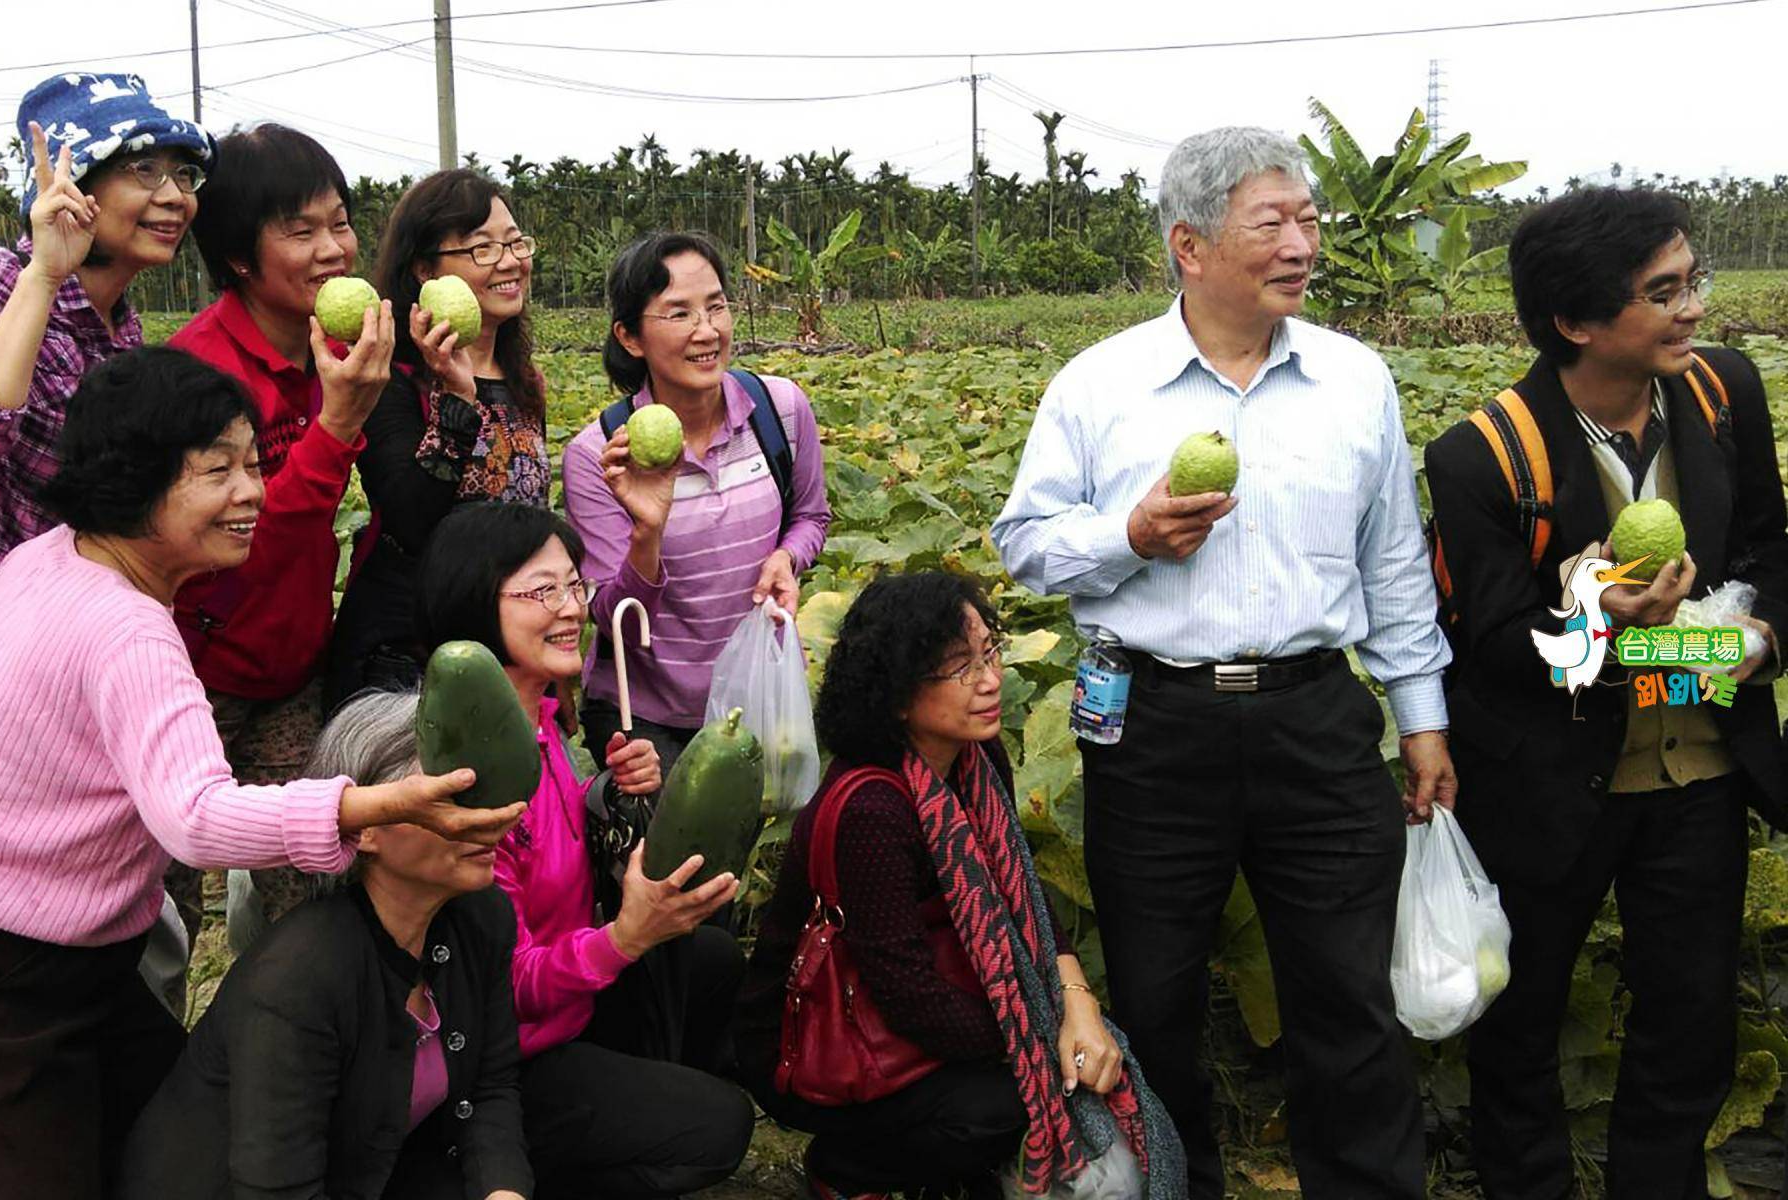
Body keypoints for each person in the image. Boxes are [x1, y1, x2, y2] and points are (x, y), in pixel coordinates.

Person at [990, 126, 1457, 1198]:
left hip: (1318, 719)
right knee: (1155, 998)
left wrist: (1421, 718)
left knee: (1347, 993)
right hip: (1155, 728)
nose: (1302, 242)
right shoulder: (1101, 386)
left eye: (1309, 218)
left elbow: (1393, 564)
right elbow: (1025, 541)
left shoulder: (1355, 380)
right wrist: (1129, 538)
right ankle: (1174, 1183)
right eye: (1274, 222)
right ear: (1190, 247)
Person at [0, 347, 522, 1200]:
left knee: (167, 1128)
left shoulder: (45, 557)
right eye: (217, 472)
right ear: (133, 482)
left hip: (80, 954)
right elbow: (195, 819)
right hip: (25, 970)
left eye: (252, 463)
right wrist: (368, 806)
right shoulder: (127, 631)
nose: (252, 493)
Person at [1424, 188, 1788, 1199]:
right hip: (1549, 784)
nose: (1693, 309)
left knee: (1690, 1027)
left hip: (1700, 770)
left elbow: (1771, 547)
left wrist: (1760, 638)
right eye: (1662, 292)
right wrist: (1596, 620)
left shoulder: (1724, 396)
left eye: (1692, 281)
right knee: (1520, 1028)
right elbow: (1491, 643)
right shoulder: (1483, 454)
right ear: (1577, 322)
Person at [737, 571, 1184, 1200]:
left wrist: (1076, 1002)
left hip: (945, 1013)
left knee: (1094, 1073)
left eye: (990, 652)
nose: (990, 680)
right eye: (958, 667)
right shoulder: (874, 809)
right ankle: (848, 1167)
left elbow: (1023, 892)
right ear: (896, 694)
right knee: (1007, 1108)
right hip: (826, 1049)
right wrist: (1041, 1036)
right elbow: (907, 993)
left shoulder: (974, 758)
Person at [416, 502, 756, 1199]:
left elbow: (552, 854)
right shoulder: (468, 776)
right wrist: (626, 938)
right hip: (506, 1058)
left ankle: (645, 1098)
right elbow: (504, 986)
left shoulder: (539, 721)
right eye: (542, 591)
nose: (572, 608)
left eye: (575, 585)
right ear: (474, 605)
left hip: (572, 1002)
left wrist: (603, 794)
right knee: (721, 1127)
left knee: (713, 962)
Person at [119, 691, 534, 1200]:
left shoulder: (480, 917)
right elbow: (278, 1189)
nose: (482, 817)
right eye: (450, 800)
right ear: (367, 827)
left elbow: (490, 1089)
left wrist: (502, 1191)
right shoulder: (299, 975)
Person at [169, 122, 395, 938]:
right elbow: (242, 541)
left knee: (309, 891)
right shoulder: (197, 375)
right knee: (160, 901)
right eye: (300, 231)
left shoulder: (336, 350)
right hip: (195, 676)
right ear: (238, 256)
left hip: (293, 665)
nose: (334, 248)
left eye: (339, 221)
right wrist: (336, 426)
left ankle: (290, 1043)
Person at [562, 231, 831, 773]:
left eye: (716, 307)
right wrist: (647, 529)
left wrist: (787, 558)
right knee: (670, 856)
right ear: (631, 336)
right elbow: (612, 617)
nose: (707, 331)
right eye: (679, 314)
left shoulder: (779, 411)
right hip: (645, 717)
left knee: (756, 847)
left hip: (755, 694)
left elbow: (810, 516)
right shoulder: (599, 457)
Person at [326, 168, 549, 714]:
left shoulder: (525, 380)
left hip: (503, 654)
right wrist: (456, 400)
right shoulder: (390, 378)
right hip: (407, 662)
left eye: (515, 241)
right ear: (425, 269)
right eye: (481, 248)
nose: (509, 260)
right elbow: (410, 519)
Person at [0, 72, 214, 581]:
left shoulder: (123, 337)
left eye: (183, 174)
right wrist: (45, 274)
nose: (176, 195)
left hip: (49, 625)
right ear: (75, 185)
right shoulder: (2, 281)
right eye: (144, 169)